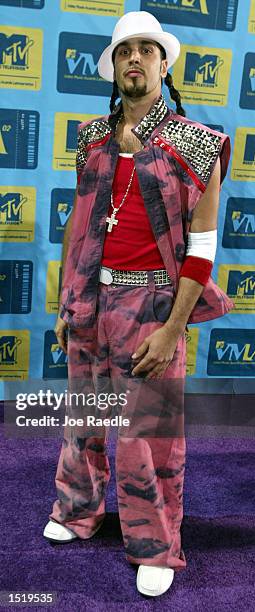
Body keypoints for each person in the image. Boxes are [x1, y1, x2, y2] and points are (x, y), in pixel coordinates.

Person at [43, 11, 234, 597]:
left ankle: (155, 543)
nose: (135, 59)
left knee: (147, 430)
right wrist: (64, 301)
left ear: (163, 63)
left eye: (147, 51)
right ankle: (78, 510)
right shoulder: (91, 140)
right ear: (112, 66)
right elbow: (78, 222)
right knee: (85, 417)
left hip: (151, 301)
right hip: (90, 298)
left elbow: (202, 251)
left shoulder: (198, 145)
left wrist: (173, 328)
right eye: (126, 50)